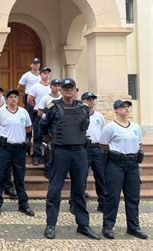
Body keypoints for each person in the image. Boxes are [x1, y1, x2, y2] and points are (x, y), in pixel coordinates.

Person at [40, 78, 100, 240]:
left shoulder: (83, 108)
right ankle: (51, 225)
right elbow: (43, 128)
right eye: (65, 88)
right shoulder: (52, 108)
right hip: (60, 152)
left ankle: (83, 225)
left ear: (76, 90)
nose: (68, 90)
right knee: (54, 190)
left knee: (79, 190)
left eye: (71, 88)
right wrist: (53, 141)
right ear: (60, 90)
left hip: (80, 152)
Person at [99, 99, 148, 240]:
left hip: (132, 164)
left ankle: (133, 227)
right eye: (123, 107)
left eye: (128, 107)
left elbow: (139, 144)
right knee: (112, 196)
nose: (126, 109)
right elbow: (103, 145)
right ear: (116, 110)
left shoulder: (135, 127)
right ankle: (108, 226)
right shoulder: (110, 127)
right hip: (116, 164)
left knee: (133, 197)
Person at [0, 89, 35, 217]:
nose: (13, 99)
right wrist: (0, 137)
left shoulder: (23, 112)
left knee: (19, 178)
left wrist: (26, 140)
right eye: (11, 97)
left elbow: (28, 128)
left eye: (15, 97)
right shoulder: (1, 112)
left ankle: (23, 204)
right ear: (7, 99)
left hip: (19, 149)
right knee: (0, 177)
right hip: (4, 149)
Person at [36, 79, 62, 178]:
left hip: (61, 128)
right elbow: (41, 112)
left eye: (58, 85)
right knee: (49, 151)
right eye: (54, 85)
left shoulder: (63, 98)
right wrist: (48, 120)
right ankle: (48, 171)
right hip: (50, 127)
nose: (57, 87)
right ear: (50, 87)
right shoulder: (47, 99)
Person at [27, 66, 51, 166]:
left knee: (50, 135)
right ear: (40, 74)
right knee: (37, 135)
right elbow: (29, 99)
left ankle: (48, 156)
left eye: (48, 73)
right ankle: (36, 156)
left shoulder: (53, 86)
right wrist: (36, 106)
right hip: (38, 114)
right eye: (44, 73)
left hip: (51, 115)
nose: (46, 75)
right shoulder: (35, 86)